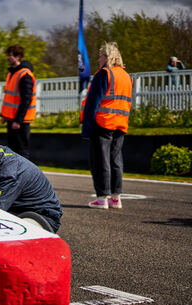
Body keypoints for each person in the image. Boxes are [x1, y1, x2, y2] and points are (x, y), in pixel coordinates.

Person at [81, 42, 133, 209]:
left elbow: (92, 103)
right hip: (120, 123)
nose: (98, 59)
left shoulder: (104, 74)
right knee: (116, 160)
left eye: (101, 55)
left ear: (108, 57)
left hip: (103, 122)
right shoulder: (126, 76)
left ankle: (102, 198)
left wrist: (86, 128)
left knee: (100, 161)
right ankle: (116, 198)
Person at [0, 44, 37, 160]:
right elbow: (10, 98)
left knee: (22, 150)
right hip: (12, 119)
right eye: (8, 55)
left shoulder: (24, 75)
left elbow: (26, 99)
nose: (8, 58)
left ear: (18, 56)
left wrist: (18, 120)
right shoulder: (12, 73)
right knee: (12, 150)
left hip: (20, 121)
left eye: (10, 55)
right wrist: (4, 116)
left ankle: (25, 176)